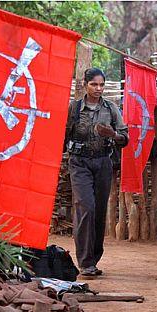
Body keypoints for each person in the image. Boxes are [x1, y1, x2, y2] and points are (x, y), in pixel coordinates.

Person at [64, 68, 128, 277]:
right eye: (94, 84)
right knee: (86, 208)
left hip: (102, 163)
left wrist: (112, 134)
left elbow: (125, 138)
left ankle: (94, 257)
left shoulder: (111, 109)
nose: (98, 88)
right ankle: (85, 262)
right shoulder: (73, 109)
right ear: (85, 85)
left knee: (99, 211)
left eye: (101, 85)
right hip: (79, 163)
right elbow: (61, 135)